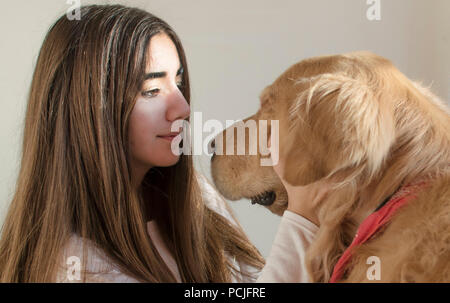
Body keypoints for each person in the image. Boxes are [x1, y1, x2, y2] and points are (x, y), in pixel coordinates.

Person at [0, 4, 323, 283]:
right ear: (88, 110)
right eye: (151, 91)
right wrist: (303, 216)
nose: (182, 107)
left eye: (179, 82)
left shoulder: (195, 199)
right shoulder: (75, 267)